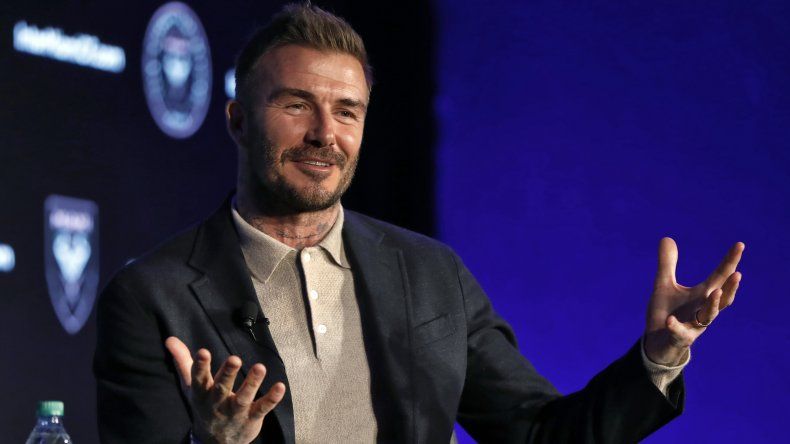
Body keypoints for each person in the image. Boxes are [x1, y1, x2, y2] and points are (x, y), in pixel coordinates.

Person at [93, 3, 745, 443]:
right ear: (238, 119)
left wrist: (658, 358)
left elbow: (541, 433)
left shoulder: (432, 275)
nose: (324, 134)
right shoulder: (152, 297)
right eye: (296, 105)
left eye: (347, 112)